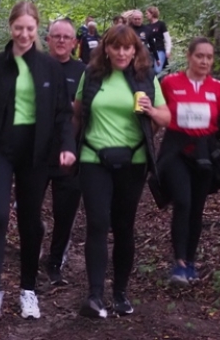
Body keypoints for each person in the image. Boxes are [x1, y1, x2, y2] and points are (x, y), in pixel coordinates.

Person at [0, 1, 77, 320]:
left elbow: (63, 114)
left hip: (36, 154)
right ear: (10, 28)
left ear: (38, 30)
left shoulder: (49, 68)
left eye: (29, 29)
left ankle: (28, 290)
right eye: (18, 28)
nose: (23, 34)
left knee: (29, 222)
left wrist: (67, 145)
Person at [73, 25, 171, 318]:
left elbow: (165, 118)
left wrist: (151, 111)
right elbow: (77, 113)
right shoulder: (91, 75)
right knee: (97, 223)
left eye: (127, 48)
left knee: (124, 226)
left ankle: (120, 293)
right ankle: (94, 296)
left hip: (134, 161)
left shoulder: (146, 77)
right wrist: (67, 148)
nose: (121, 53)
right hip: (93, 158)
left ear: (134, 50)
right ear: (106, 48)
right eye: (115, 47)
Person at [158, 36, 220, 286]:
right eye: (199, 56)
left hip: (203, 152)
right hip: (176, 149)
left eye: (209, 57)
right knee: (182, 201)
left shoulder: (217, 87)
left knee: (196, 207)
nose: (204, 61)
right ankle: (179, 264)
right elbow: (159, 113)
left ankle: (190, 261)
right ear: (189, 56)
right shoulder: (170, 82)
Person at [45, 19, 86, 285]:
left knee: (65, 212)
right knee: (28, 209)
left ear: (74, 43)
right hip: (36, 152)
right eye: (56, 36)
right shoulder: (35, 66)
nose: (61, 40)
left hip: (70, 152)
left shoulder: (83, 72)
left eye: (66, 37)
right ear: (47, 39)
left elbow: (88, 110)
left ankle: (54, 262)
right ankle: (31, 250)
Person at [145, 6, 172, 75]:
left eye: (147, 13)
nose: (146, 15)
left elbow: (167, 38)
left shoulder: (161, 24)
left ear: (152, 13)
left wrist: (168, 50)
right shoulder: (147, 27)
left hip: (159, 50)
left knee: (157, 70)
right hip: (150, 51)